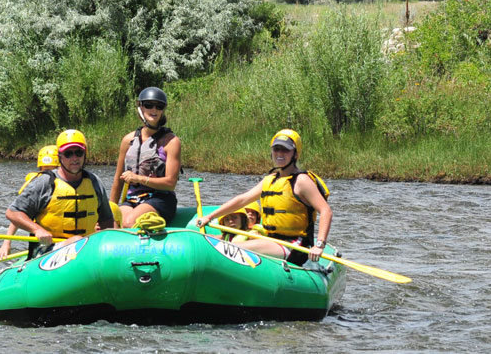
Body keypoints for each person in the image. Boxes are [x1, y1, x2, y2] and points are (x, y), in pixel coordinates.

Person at [196, 129, 331, 265]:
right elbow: (242, 200)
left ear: (295, 154)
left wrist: (319, 245)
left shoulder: (301, 180)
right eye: (276, 149)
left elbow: (326, 211)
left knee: (231, 248)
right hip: (271, 239)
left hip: (295, 245)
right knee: (224, 242)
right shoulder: (271, 179)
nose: (279, 154)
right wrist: (210, 216)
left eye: (285, 150)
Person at [6, 129, 114, 256]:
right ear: (60, 157)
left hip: (86, 248)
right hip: (47, 250)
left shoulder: (94, 182)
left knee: (81, 242)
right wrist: (37, 230)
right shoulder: (45, 182)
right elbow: (12, 212)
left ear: (85, 154)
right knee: (78, 241)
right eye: (68, 154)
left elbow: (107, 221)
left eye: (78, 153)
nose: (74, 158)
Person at [111, 86, 182, 226]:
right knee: (115, 223)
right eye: (149, 105)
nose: (154, 110)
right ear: (140, 107)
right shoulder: (128, 140)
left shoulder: (172, 142)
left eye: (159, 106)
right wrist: (109, 211)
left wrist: (139, 178)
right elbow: (118, 180)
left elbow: (170, 184)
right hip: (133, 199)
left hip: (161, 199)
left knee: (130, 221)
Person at [0, 145, 59, 259]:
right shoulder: (38, 187)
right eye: (45, 169)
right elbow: (17, 217)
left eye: (52, 169)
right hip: (43, 240)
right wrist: (6, 244)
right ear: (40, 168)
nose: (48, 173)